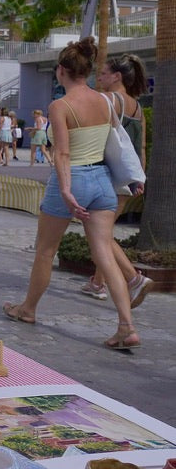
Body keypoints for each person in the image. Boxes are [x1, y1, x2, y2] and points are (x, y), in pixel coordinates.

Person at [3, 36, 143, 350]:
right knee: (105, 254)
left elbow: (63, 154)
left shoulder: (60, 106)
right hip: (102, 180)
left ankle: (28, 309)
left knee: (45, 250)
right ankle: (126, 326)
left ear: (62, 71)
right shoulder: (106, 101)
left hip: (74, 177)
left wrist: (66, 190)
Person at [80, 54, 152, 306]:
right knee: (105, 232)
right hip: (127, 177)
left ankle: (134, 278)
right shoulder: (138, 107)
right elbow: (140, 147)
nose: (99, 78)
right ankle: (98, 283)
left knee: (100, 235)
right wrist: (139, 177)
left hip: (106, 173)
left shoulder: (110, 100)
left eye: (103, 74)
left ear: (117, 76)